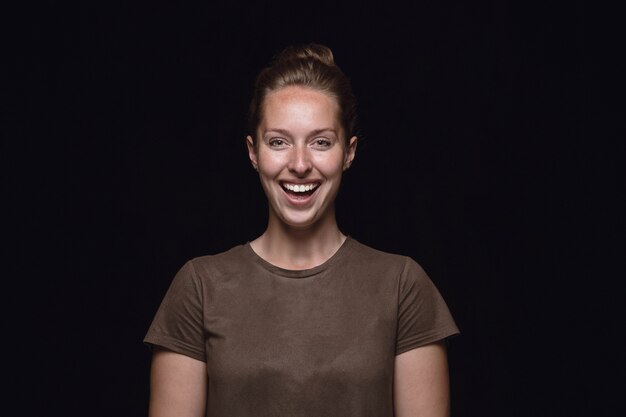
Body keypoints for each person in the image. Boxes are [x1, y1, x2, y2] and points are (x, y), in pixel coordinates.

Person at [144, 43, 459, 417]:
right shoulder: (199, 287)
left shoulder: (402, 286)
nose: (299, 164)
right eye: (278, 142)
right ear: (253, 152)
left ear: (349, 152)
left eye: (321, 142)